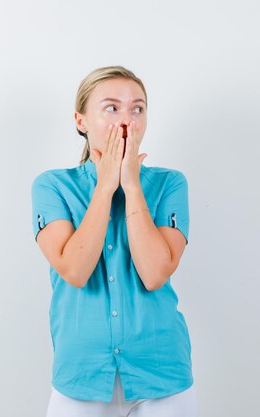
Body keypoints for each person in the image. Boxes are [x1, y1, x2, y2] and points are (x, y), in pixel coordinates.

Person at [31, 65, 198, 417]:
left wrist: (132, 185)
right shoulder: (52, 186)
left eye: (137, 109)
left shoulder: (169, 184)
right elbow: (75, 270)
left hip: (162, 375)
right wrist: (106, 186)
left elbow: (155, 274)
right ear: (81, 121)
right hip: (81, 375)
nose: (127, 121)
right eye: (112, 108)